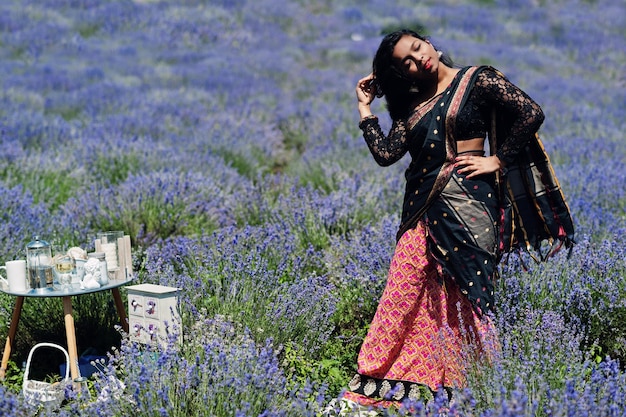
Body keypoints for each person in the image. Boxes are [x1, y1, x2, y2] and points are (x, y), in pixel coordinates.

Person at [342, 29, 574, 410]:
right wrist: (365, 108)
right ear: (406, 74)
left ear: (429, 42)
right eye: (407, 62)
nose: (419, 59)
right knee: (404, 290)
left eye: (417, 48)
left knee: (467, 291)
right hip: (421, 208)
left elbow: (531, 112)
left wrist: (497, 160)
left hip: (470, 205)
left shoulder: (477, 79)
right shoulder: (413, 107)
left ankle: (475, 383)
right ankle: (388, 380)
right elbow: (386, 154)